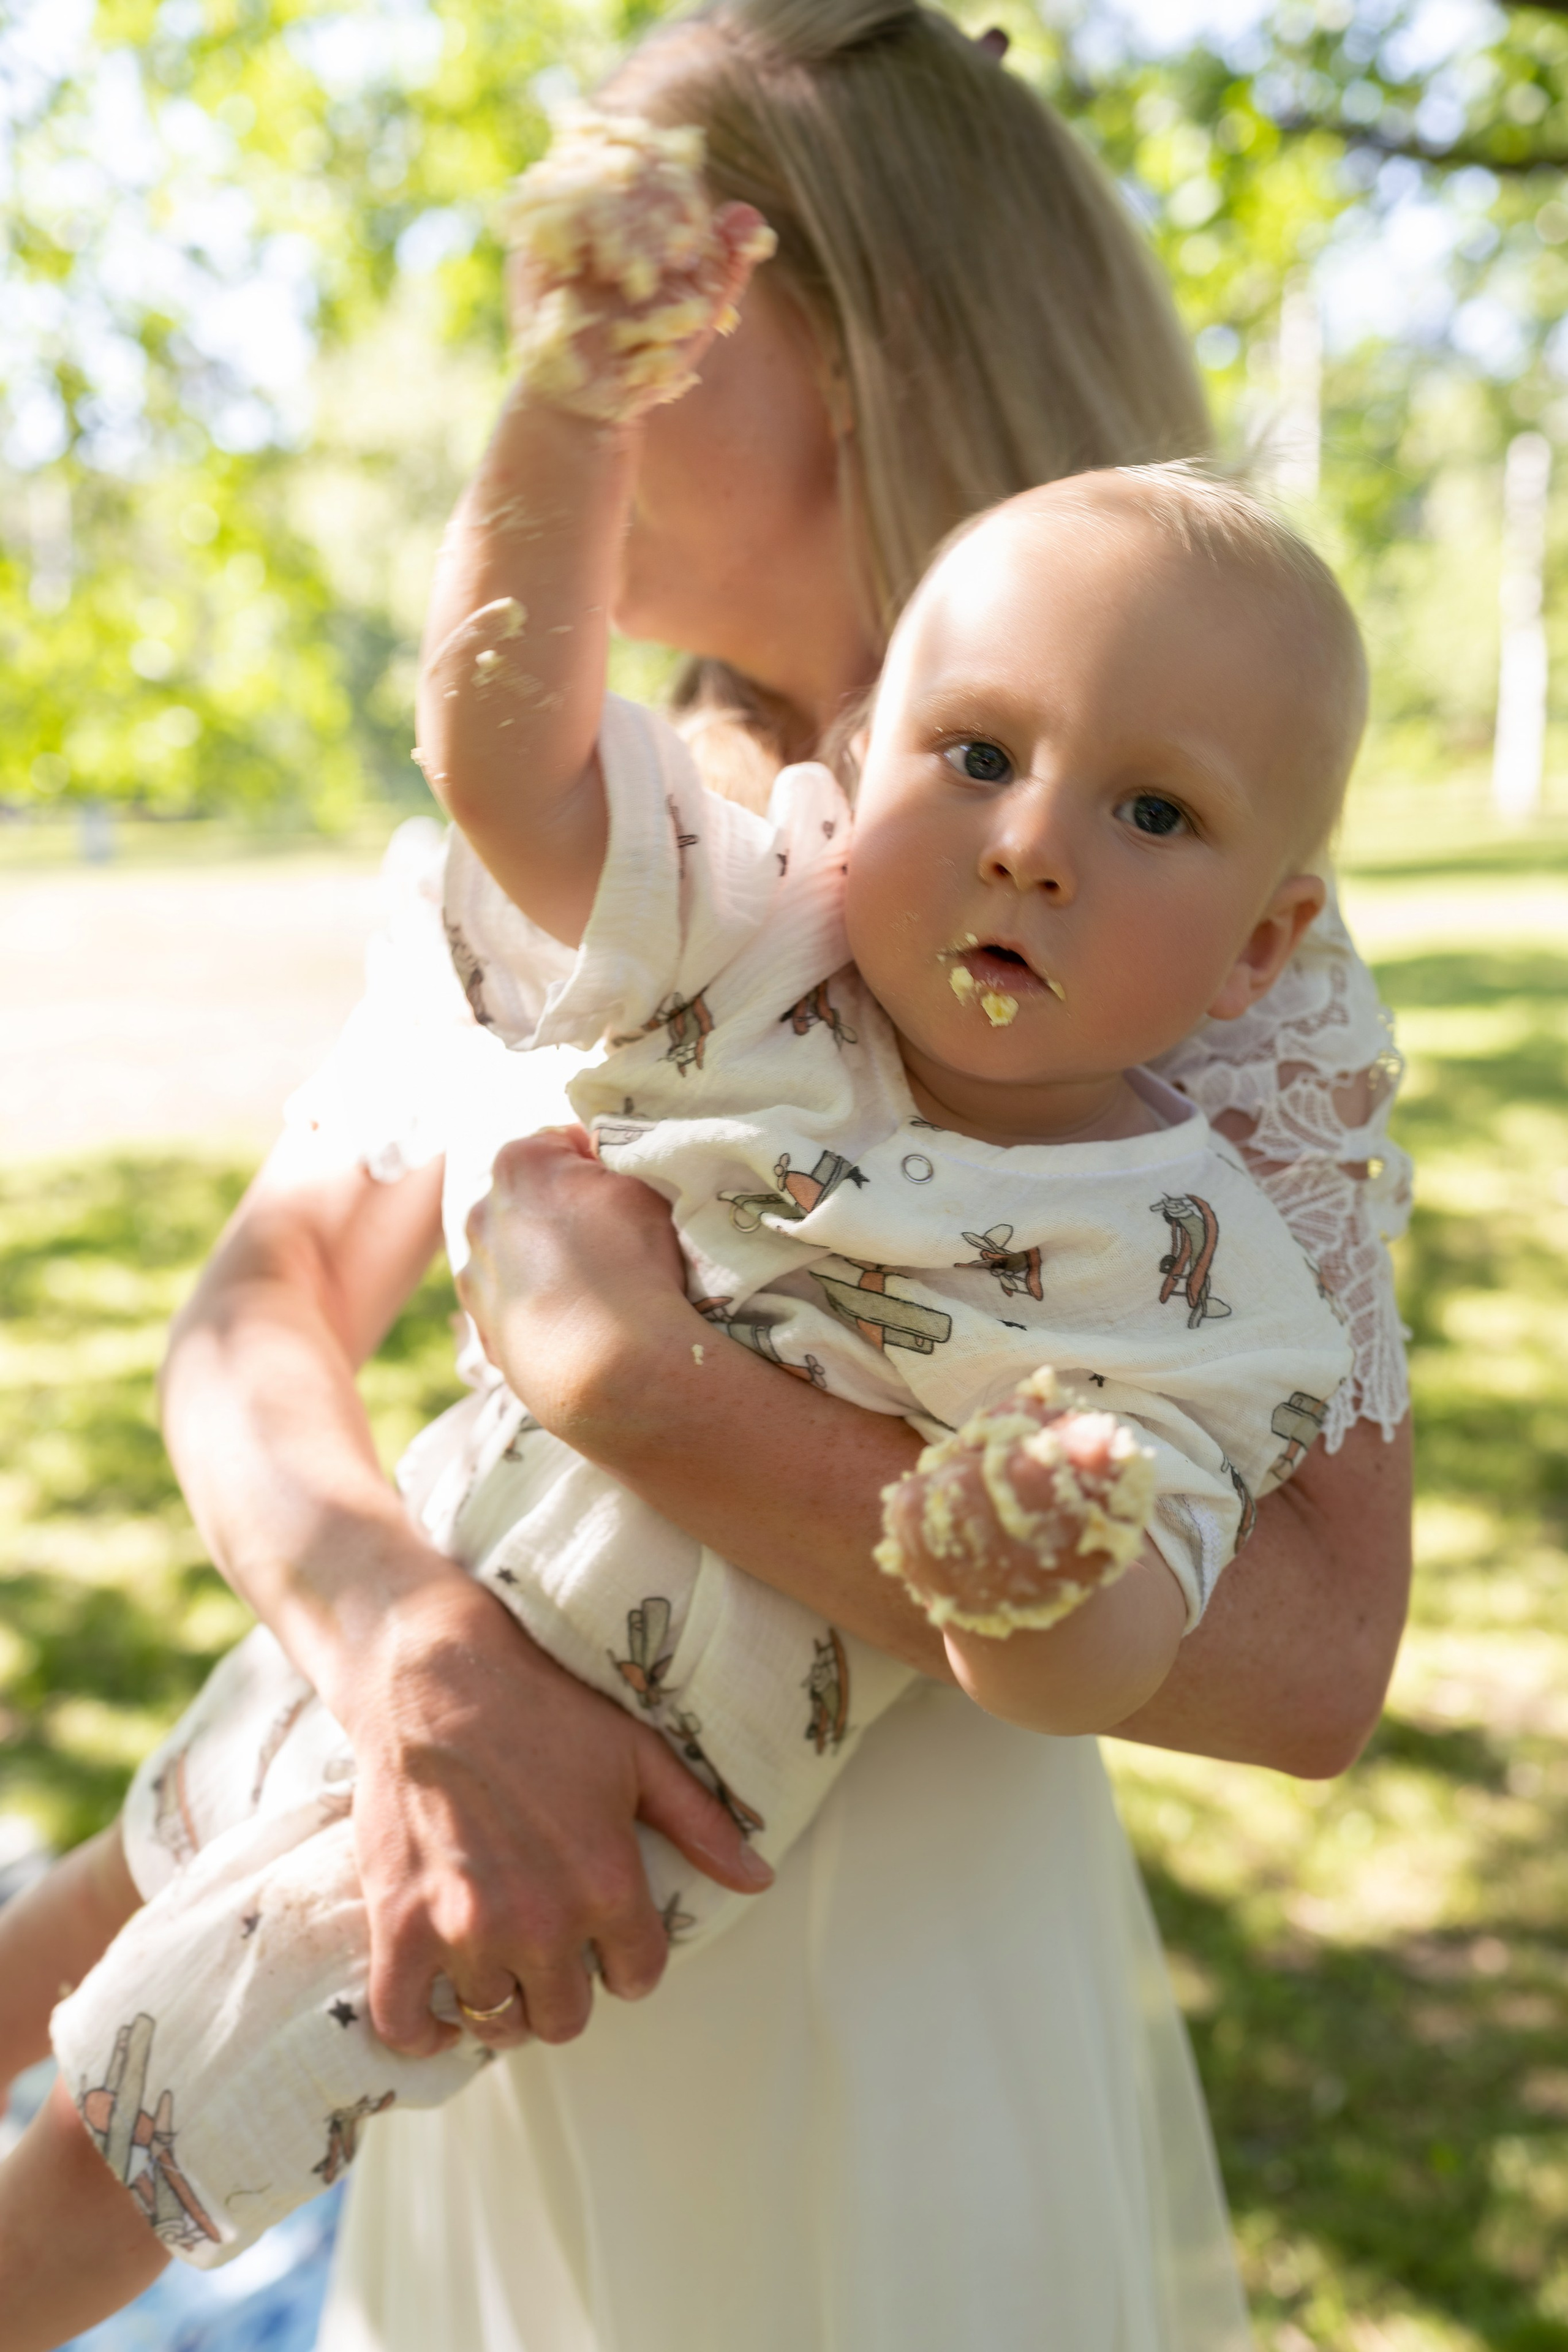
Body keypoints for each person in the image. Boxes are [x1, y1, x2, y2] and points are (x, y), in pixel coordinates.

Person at [0, 6, 1413, 2348]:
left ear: (867, 344)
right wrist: (413, 1660)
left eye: (650, 277)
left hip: (854, 1985)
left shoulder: (1170, 916)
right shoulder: (633, 839)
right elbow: (254, 1330)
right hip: (467, 1870)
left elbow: (1320, 1656)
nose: (563, 334)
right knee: (101, 1960)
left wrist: (635, 1381)